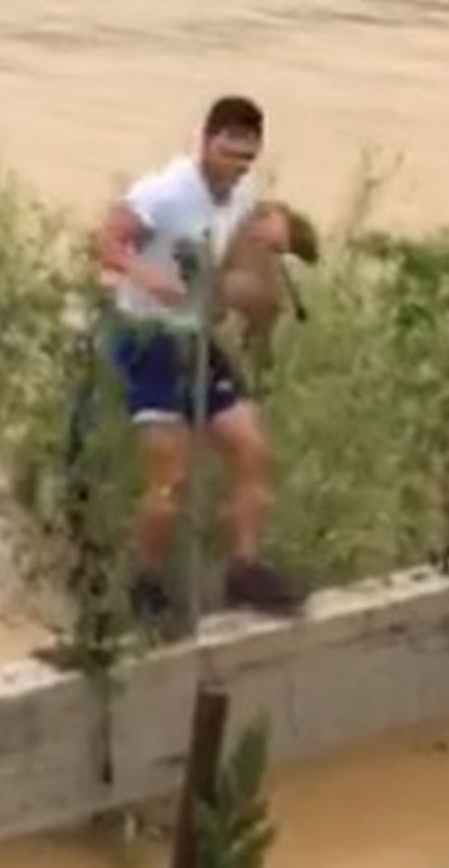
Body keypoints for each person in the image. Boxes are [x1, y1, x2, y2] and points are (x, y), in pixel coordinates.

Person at [91, 95, 305, 621]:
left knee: (251, 447)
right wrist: (146, 276)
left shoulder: (242, 192)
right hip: (149, 340)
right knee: (171, 476)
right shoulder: (163, 193)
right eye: (230, 153)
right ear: (206, 141)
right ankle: (144, 584)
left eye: (247, 158)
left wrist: (284, 233)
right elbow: (107, 240)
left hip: (199, 342)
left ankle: (245, 569)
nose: (237, 167)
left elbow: (269, 222)